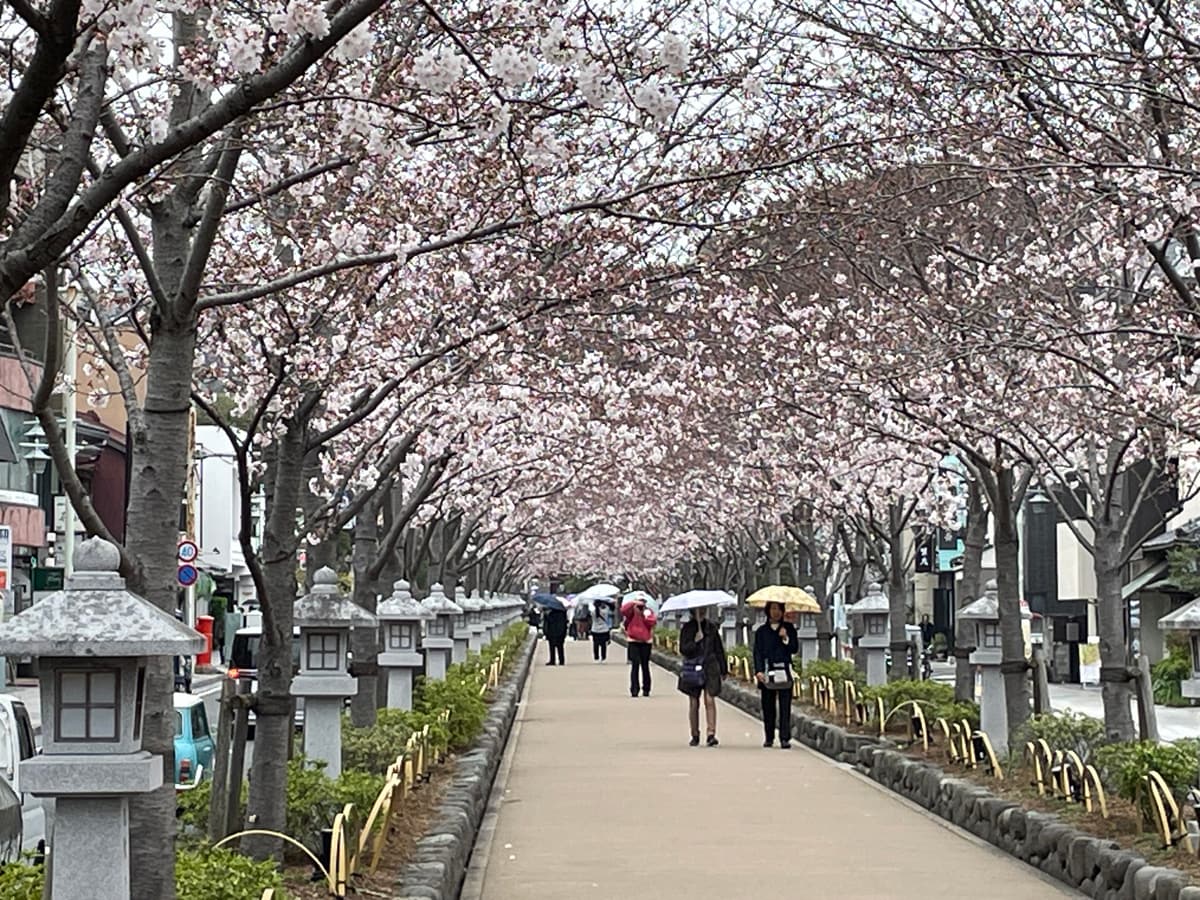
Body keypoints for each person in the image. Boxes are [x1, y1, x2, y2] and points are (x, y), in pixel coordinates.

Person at [678, 606, 727, 746]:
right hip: (693, 667)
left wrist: (723, 669)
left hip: (710, 666)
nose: (701, 613)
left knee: (709, 699)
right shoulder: (687, 628)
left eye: (703, 611)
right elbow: (683, 649)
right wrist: (695, 641)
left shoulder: (711, 628)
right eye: (699, 611)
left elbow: (718, 648)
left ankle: (711, 733)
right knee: (694, 702)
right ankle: (694, 733)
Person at [753, 601, 798, 748]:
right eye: (773, 609)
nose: (776, 612)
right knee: (768, 705)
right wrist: (758, 670)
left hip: (784, 670)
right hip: (767, 670)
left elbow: (794, 649)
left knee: (785, 706)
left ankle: (785, 737)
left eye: (778, 609)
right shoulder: (761, 631)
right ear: (767, 611)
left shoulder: (789, 628)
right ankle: (769, 736)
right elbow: (757, 652)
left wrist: (785, 638)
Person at [621, 597, 657, 697]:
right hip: (633, 641)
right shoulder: (631, 611)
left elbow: (652, 622)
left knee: (645, 666)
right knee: (635, 665)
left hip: (646, 641)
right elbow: (623, 610)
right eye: (639, 601)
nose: (641, 604)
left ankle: (646, 689)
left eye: (643, 602)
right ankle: (634, 689)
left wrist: (644, 616)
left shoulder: (648, 612)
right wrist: (633, 603)